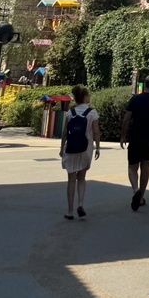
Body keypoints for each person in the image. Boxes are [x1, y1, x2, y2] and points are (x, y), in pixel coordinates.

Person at [120, 75, 149, 212]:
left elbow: (126, 119)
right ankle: (141, 198)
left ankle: (135, 190)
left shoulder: (135, 99)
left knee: (132, 167)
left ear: (144, 85)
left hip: (135, 137)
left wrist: (123, 136)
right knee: (145, 166)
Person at [59, 84, 100, 220]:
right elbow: (95, 132)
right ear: (84, 97)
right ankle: (81, 203)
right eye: (88, 95)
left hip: (71, 148)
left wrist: (61, 148)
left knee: (71, 179)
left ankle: (70, 211)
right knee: (81, 177)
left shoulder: (71, 113)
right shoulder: (92, 113)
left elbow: (65, 132)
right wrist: (98, 147)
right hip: (85, 148)